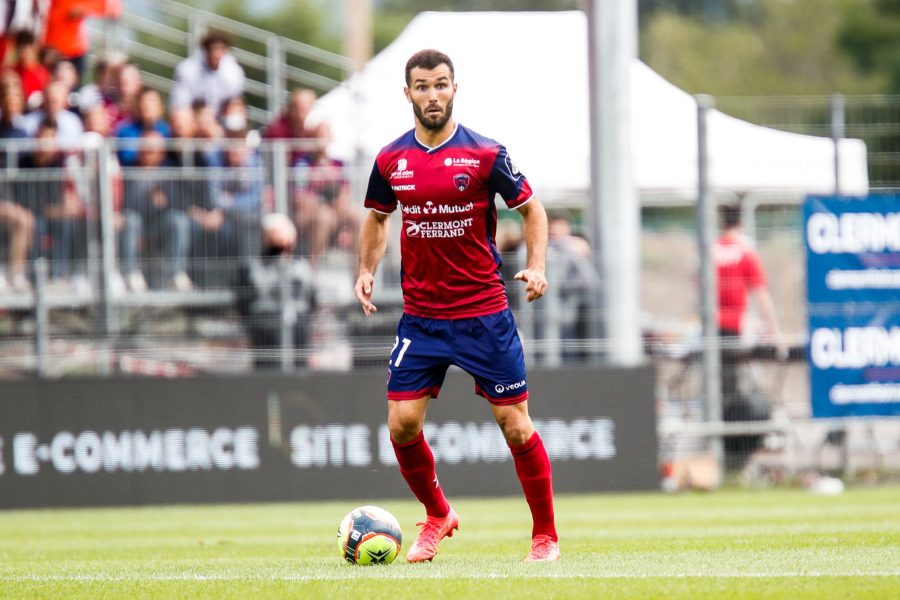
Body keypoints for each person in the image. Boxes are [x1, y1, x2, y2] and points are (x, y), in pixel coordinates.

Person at [354, 49, 559, 563]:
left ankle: (545, 536)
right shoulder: (389, 160)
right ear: (408, 95)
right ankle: (438, 514)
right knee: (401, 423)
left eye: (441, 85)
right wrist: (365, 270)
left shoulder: (486, 154)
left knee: (515, 423)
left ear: (454, 89)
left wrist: (537, 266)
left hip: (483, 313)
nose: (432, 95)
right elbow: (378, 219)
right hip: (421, 317)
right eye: (422, 87)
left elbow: (533, 209)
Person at [713, 202, 782, 468]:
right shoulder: (745, 252)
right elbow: (760, 292)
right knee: (745, 385)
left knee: (719, 386)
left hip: (713, 327)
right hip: (736, 328)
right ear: (741, 223)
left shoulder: (711, 250)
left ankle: (722, 438)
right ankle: (741, 441)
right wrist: (772, 328)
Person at [233, 212, 316, 371]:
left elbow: (312, 298)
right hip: (265, 326)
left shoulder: (302, 266)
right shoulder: (253, 268)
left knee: (299, 372)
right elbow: (243, 301)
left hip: (297, 326)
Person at [169, 31, 244, 114]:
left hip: (222, 118)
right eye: (213, 48)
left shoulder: (234, 73)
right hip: (195, 116)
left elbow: (235, 103)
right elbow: (180, 103)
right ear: (205, 50)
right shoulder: (187, 70)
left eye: (221, 49)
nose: (217, 54)